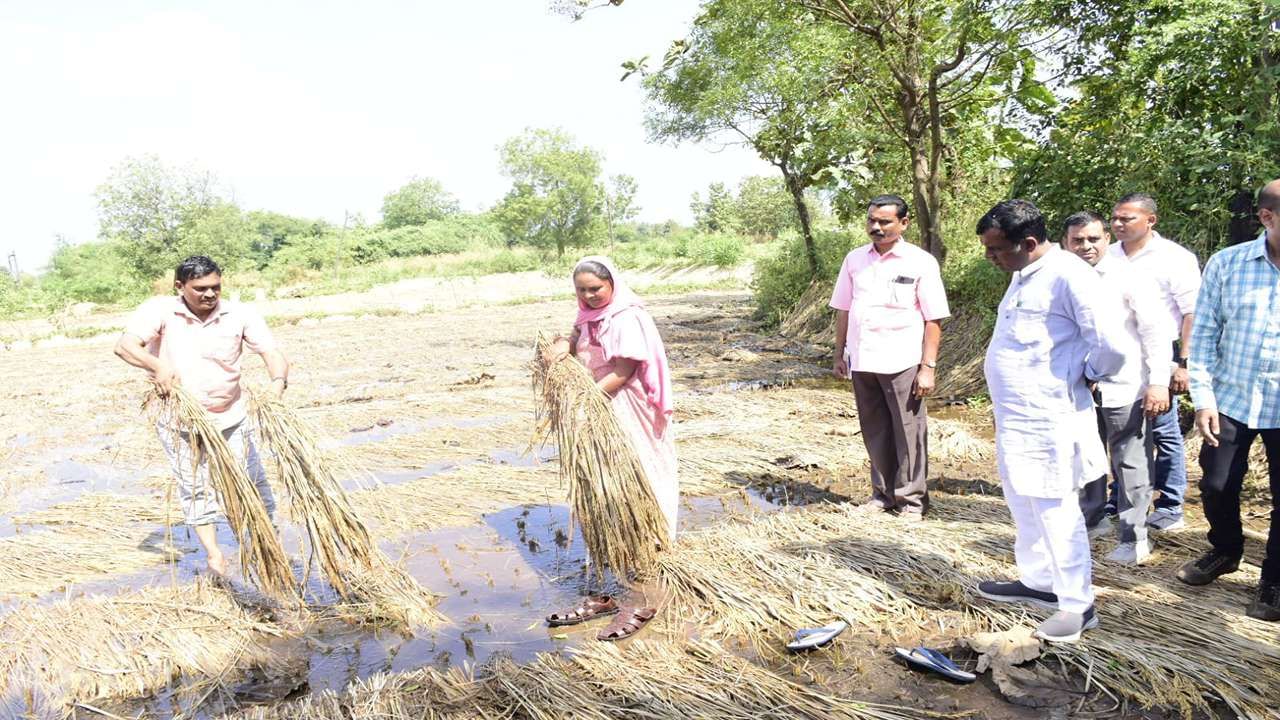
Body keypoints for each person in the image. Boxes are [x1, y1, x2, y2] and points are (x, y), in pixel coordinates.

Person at [974, 200, 1126, 643]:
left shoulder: (1070, 275)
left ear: (1028, 242)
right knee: (1024, 500)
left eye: (997, 250)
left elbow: (1111, 344)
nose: (991, 258)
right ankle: (1040, 582)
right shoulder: (1024, 273)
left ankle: (1078, 606)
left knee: (1057, 510)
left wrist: (1088, 374)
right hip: (1016, 418)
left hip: (1049, 418)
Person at [113, 255, 288, 578]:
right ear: (180, 287)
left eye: (215, 287)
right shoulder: (161, 310)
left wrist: (276, 386)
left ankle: (267, 546)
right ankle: (215, 557)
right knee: (195, 487)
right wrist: (158, 366)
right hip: (180, 420)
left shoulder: (239, 314)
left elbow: (271, 353)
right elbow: (125, 346)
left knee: (251, 482)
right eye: (200, 289)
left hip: (230, 416)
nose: (209, 294)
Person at [543, 256, 677, 640]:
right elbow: (576, 335)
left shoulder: (626, 317)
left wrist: (586, 398)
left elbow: (624, 370)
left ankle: (647, 584)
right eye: (582, 290)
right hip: (598, 407)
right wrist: (562, 346)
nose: (589, 296)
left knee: (638, 480)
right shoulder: (588, 314)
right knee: (605, 491)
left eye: (595, 289)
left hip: (624, 407)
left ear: (612, 285)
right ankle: (612, 585)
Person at [1178, 179, 1280, 621]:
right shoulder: (1229, 264)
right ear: (1266, 217)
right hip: (1231, 400)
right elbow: (1203, 337)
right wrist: (1203, 400)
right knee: (1217, 484)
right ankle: (1225, 550)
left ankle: (1273, 581)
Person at [828, 194, 950, 520]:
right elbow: (843, 308)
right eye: (872, 221)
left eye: (884, 221)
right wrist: (839, 353)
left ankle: (911, 502)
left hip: (903, 362)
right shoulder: (854, 260)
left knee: (909, 433)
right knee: (875, 430)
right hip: (863, 360)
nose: (876, 227)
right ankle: (882, 496)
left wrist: (928, 368)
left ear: (903, 223)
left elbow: (933, 317)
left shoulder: (920, 262)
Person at [1063, 211, 1172, 564]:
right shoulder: (1060, 277)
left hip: (1126, 386)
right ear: (1066, 242)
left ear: (1107, 239)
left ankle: (1134, 537)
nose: (1086, 246)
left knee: (1130, 462)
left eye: (1093, 239)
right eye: (1078, 240)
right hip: (1077, 387)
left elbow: (1154, 332)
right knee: (1084, 457)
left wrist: (1157, 383)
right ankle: (1091, 519)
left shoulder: (1128, 276)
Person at [1109, 194, 1201, 530]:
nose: (1118, 224)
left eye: (1127, 219)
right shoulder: (1108, 256)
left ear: (1151, 220)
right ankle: (1121, 498)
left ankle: (1171, 504)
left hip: (1164, 355)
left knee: (1163, 430)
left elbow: (1193, 312)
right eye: (1115, 218)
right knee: (1124, 430)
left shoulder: (1174, 258)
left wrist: (1184, 362)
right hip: (1121, 356)